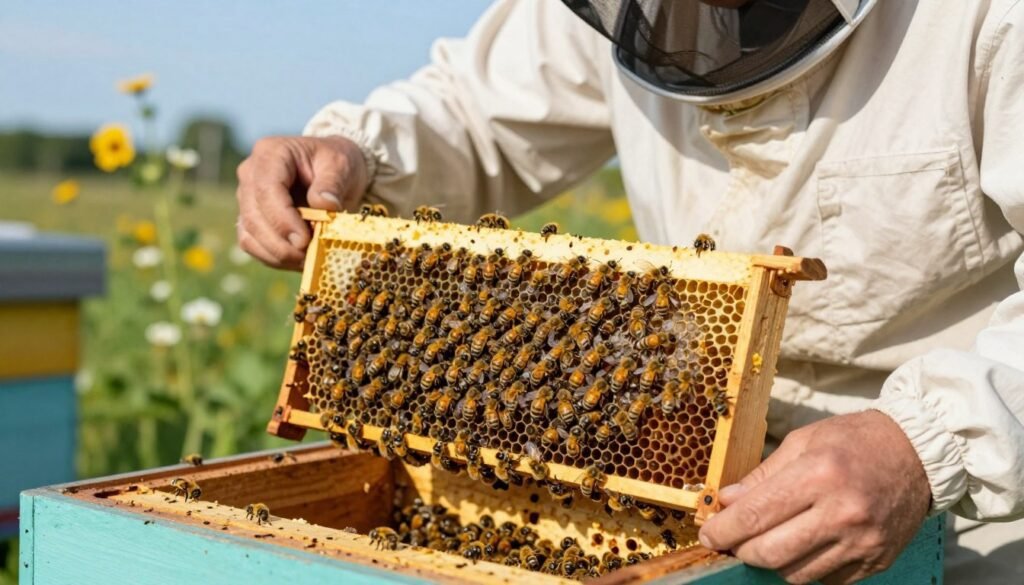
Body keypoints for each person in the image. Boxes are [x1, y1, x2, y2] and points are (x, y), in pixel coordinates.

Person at [235, 1, 1024, 582]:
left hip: (975, 507)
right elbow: (481, 113)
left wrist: (927, 444)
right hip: (676, 473)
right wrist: (357, 152)